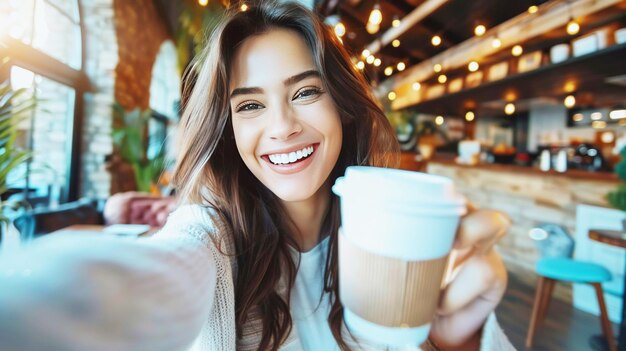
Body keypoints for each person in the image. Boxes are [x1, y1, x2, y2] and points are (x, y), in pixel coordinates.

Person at [0, 1, 513, 350]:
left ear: (343, 107)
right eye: (249, 106)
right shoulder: (211, 237)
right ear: (227, 129)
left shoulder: (391, 235)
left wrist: (451, 342)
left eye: (305, 93)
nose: (282, 128)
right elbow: (156, 274)